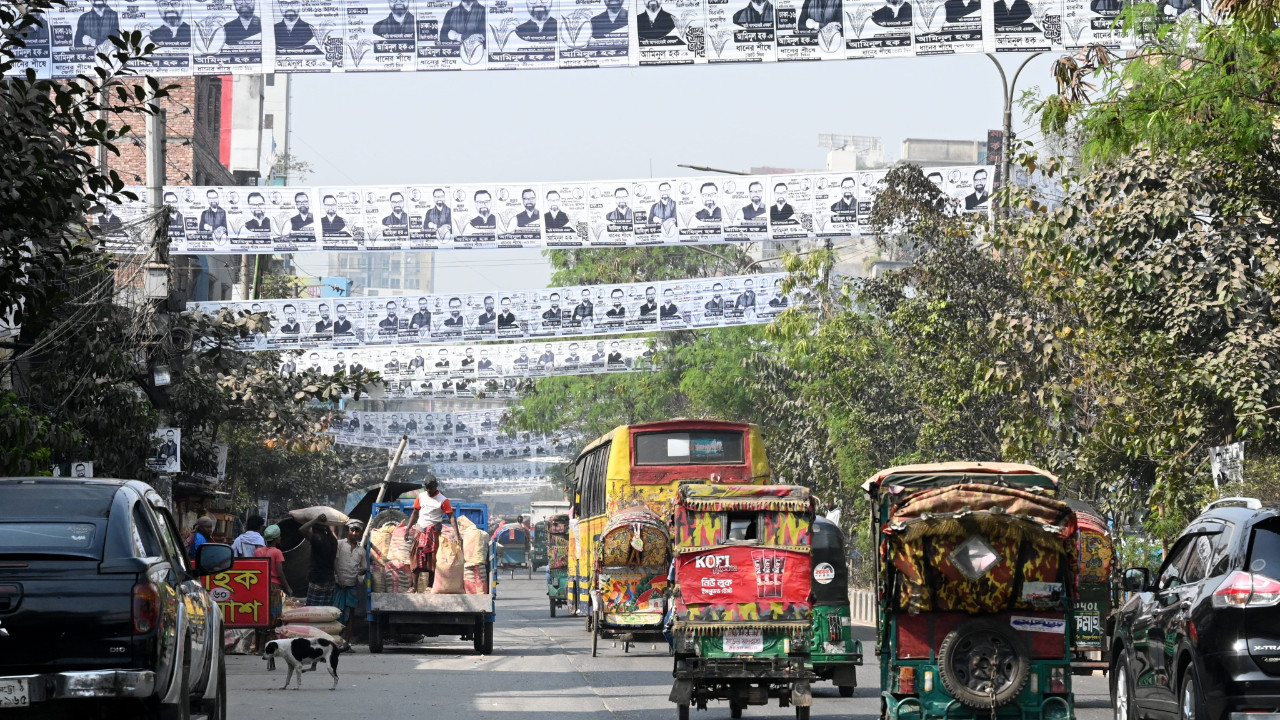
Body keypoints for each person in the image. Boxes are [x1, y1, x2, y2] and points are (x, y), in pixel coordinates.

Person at [406, 480, 461, 590]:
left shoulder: (443, 500)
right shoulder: (421, 496)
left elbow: (451, 517)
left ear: (436, 486)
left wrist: (457, 535)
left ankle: (430, 586)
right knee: (416, 557)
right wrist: (407, 528)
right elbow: (415, 513)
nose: (428, 491)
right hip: (420, 531)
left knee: (433, 559)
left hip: (434, 532)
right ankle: (414, 586)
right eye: (427, 488)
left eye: (430, 488)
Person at [253, 524, 292, 652]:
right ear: (276, 538)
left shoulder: (258, 551)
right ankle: (265, 648)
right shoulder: (277, 552)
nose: (280, 538)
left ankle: (258, 647)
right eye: (279, 536)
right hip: (274, 587)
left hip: (260, 586)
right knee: (272, 618)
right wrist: (287, 587)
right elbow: (280, 572)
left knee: (260, 616)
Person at [333, 520, 367, 639]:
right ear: (348, 531)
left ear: (360, 533)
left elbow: (363, 567)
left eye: (357, 531)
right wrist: (340, 577)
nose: (354, 533)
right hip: (338, 584)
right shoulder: (340, 544)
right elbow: (335, 562)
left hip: (352, 585)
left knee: (350, 614)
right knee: (335, 613)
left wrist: (361, 571)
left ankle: (346, 642)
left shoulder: (361, 550)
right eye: (352, 530)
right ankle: (336, 639)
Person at [300, 513, 339, 606]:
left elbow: (301, 529)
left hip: (318, 580)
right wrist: (326, 525)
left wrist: (316, 519)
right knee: (325, 611)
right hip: (330, 581)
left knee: (313, 610)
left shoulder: (317, 540)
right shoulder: (333, 540)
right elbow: (329, 533)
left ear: (314, 529)